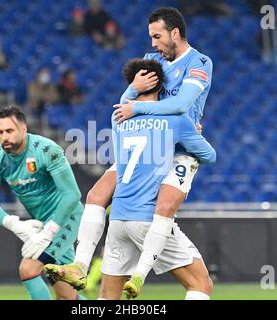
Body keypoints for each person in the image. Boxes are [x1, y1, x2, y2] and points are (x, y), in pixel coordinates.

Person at [44, 7, 214, 297]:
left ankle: (141, 271)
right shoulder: (152, 60)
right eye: (151, 37)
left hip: (180, 149)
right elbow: (124, 108)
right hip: (149, 144)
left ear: (175, 33)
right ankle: (79, 265)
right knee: (97, 195)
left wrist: (136, 105)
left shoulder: (199, 62)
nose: (153, 44)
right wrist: (130, 93)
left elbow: (180, 105)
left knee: (163, 208)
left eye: (157, 36)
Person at [99, 58, 216, 299]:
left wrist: (132, 89)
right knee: (200, 284)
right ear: (162, 88)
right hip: (148, 219)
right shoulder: (175, 121)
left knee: (108, 296)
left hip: (119, 218)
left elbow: (125, 103)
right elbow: (209, 156)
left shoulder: (119, 118)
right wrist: (190, 136)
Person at [0, 105, 85, 300]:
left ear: (24, 129)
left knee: (28, 269)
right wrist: (14, 223)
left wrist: (49, 231)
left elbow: (72, 194)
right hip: (42, 222)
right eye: (0, 132)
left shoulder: (47, 150)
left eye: (9, 131)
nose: (4, 137)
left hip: (66, 217)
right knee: (66, 295)